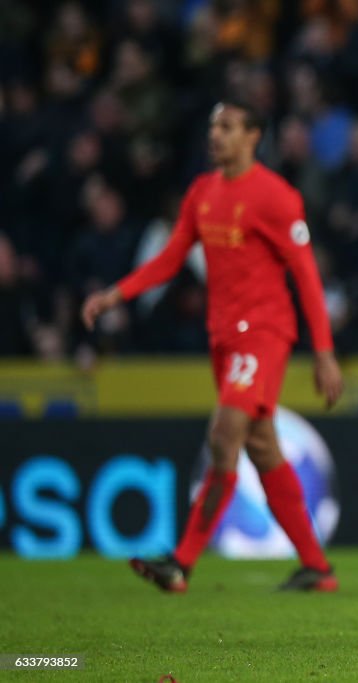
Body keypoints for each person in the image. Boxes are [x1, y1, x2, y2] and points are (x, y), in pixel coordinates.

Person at [81, 100, 344, 593]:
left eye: (227, 127)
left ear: (253, 136)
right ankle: (316, 567)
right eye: (212, 127)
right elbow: (170, 258)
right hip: (222, 338)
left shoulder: (275, 196)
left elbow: (306, 276)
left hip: (264, 334)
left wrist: (324, 352)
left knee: (225, 435)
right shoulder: (202, 193)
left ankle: (181, 562)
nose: (216, 135)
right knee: (262, 446)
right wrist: (116, 294)